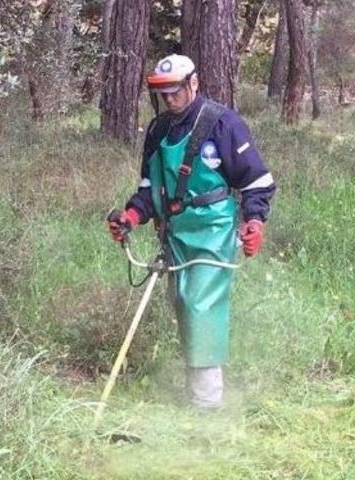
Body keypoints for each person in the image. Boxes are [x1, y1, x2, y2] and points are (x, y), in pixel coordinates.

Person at [107, 54, 275, 409]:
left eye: (176, 91)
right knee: (183, 303)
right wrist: (132, 216)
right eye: (164, 93)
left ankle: (207, 404)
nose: (170, 99)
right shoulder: (158, 130)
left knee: (201, 305)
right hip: (174, 232)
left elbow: (257, 181)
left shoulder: (223, 123)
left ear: (193, 84)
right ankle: (197, 386)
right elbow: (149, 187)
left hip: (213, 230)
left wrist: (254, 221)